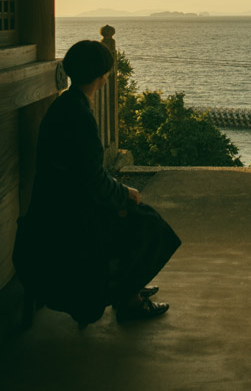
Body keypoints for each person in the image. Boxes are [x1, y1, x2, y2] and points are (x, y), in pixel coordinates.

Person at [13, 40, 181, 326]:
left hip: (55, 207)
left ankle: (130, 288)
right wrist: (126, 192)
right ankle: (129, 299)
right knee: (149, 224)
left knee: (138, 217)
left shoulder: (64, 106)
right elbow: (93, 180)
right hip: (71, 219)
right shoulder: (79, 115)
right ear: (100, 76)